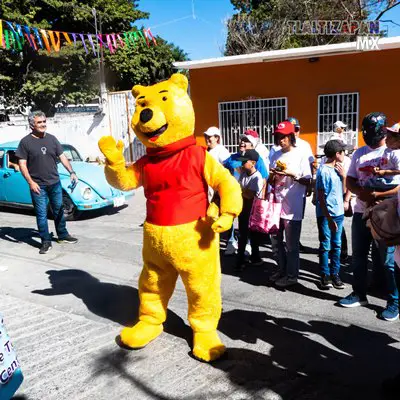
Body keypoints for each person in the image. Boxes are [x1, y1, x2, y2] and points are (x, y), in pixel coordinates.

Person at [339, 112, 400, 322]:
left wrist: (379, 196)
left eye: (369, 131)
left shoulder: (394, 152)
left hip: (386, 215)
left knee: (387, 260)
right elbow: (351, 181)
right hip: (361, 211)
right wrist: (362, 193)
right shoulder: (359, 153)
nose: (366, 135)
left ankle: (394, 301)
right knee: (359, 256)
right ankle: (359, 294)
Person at [16, 111, 78, 254]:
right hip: (38, 185)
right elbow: (22, 164)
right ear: (32, 125)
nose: (43, 124)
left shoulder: (52, 139)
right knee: (42, 214)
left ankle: (62, 235)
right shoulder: (25, 142)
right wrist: (31, 182)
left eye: (44, 121)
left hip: (55, 183)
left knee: (58, 210)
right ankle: (45, 241)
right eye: (39, 122)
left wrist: (72, 172)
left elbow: (62, 157)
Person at [269, 121, 312, 287]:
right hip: (276, 204)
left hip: (292, 204)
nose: (281, 140)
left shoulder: (300, 154)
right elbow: (270, 180)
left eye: (284, 137)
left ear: (291, 136)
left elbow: (307, 179)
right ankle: (281, 270)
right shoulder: (274, 155)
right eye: (278, 137)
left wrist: (290, 174)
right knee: (275, 241)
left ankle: (292, 276)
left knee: (292, 245)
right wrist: (274, 175)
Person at [316, 140, 347, 290]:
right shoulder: (323, 170)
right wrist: (328, 218)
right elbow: (321, 196)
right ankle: (325, 275)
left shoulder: (340, 168)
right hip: (326, 215)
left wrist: (344, 176)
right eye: (342, 152)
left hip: (339, 213)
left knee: (337, 245)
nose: (344, 154)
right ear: (336, 154)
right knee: (325, 245)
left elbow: (344, 191)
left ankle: (335, 274)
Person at [236, 149, 264, 272]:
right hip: (243, 209)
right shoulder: (243, 174)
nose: (242, 164)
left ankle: (252, 257)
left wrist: (240, 190)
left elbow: (249, 194)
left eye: (244, 162)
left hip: (252, 210)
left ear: (253, 162)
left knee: (253, 235)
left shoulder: (257, 177)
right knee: (243, 234)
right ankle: (243, 257)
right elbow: (241, 189)